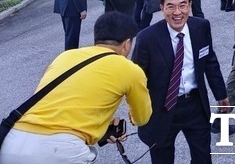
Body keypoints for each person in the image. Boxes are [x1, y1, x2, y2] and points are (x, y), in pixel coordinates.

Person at [0, 12, 152, 164]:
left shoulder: (65, 56)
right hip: (60, 151)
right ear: (127, 44)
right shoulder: (130, 69)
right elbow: (141, 118)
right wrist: (129, 120)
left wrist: (102, 123)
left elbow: (59, 105)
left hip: (13, 142)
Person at [132, 0, 232, 164]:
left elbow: (210, 61)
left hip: (195, 105)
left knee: (203, 158)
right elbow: (136, 79)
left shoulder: (201, 27)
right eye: (170, 6)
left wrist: (221, 94)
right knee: (162, 158)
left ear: (190, 5)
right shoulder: (147, 38)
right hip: (161, 108)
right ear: (162, 8)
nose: (177, 12)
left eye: (182, 5)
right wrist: (137, 110)